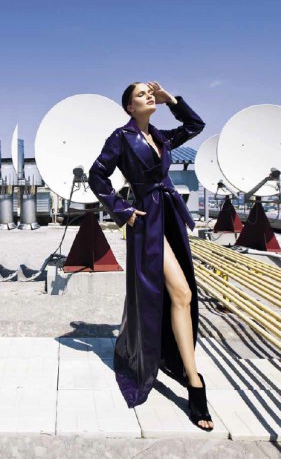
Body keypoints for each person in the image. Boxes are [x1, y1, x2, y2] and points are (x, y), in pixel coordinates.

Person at [88, 81, 214, 431]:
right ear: (129, 107)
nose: (148, 95)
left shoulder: (161, 136)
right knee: (182, 293)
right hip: (146, 219)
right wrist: (122, 209)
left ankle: (184, 368)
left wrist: (172, 100)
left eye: (150, 91)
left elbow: (195, 125)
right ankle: (195, 382)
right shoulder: (121, 137)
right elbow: (97, 175)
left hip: (169, 214)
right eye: (141, 94)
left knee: (181, 295)